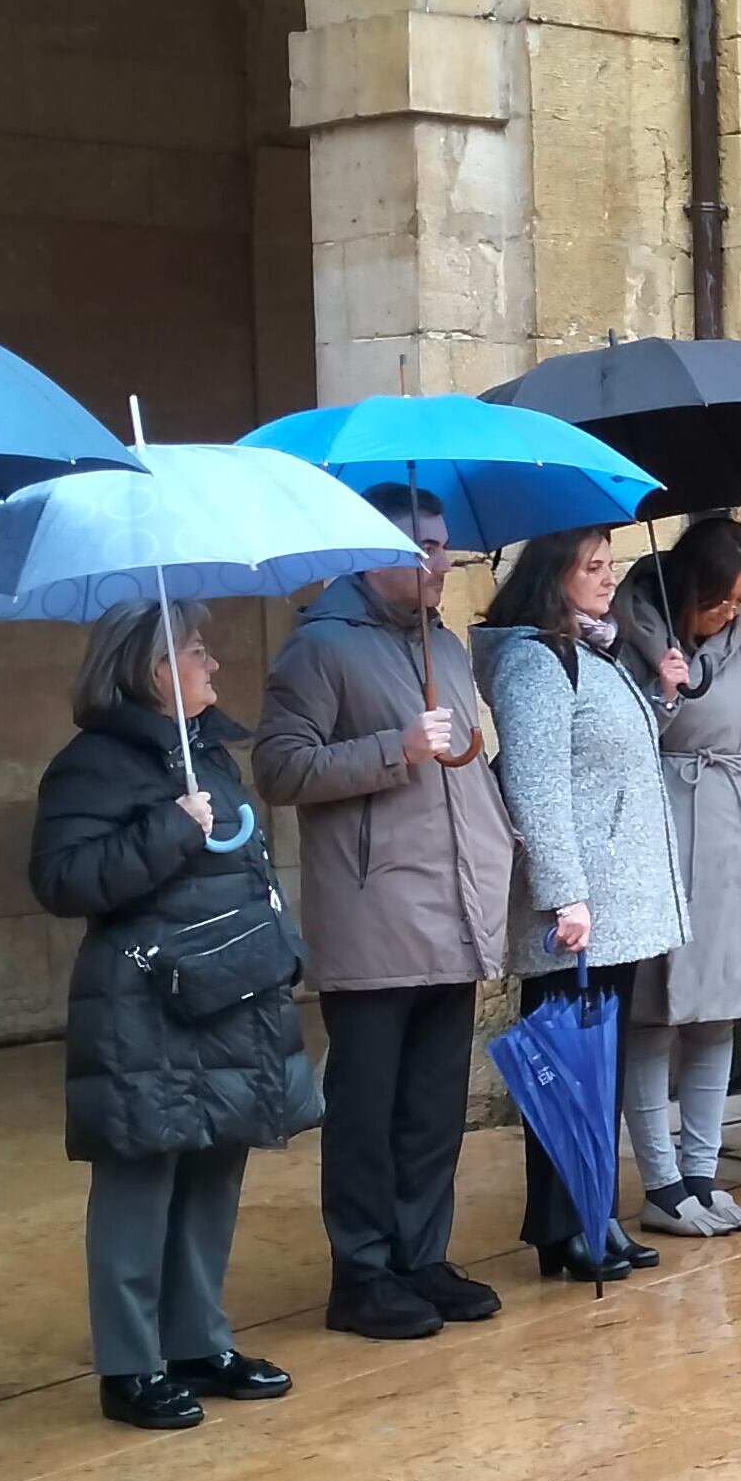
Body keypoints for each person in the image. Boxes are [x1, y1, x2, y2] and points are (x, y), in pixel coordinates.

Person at [27, 601, 312, 1431]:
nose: (213, 664)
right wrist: (166, 829)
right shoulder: (92, 765)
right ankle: (130, 1363)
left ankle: (199, 1341)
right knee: (139, 1183)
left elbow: (247, 861)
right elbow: (63, 880)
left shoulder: (211, 752)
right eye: (195, 650)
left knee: (214, 1172)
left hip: (229, 992)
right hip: (145, 1005)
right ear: (152, 667)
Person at [257, 485, 515, 1340]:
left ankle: (420, 1256)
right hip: (374, 914)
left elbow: (463, 768)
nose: (443, 563)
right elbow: (282, 769)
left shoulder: (444, 643)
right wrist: (393, 751)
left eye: (445, 547)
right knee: (369, 1106)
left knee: (435, 1103)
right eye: (426, 549)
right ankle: (361, 1271)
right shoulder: (319, 649)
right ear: (373, 554)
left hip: (454, 906)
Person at [479, 523, 695, 1271]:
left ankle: (592, 1214)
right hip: (580, 910)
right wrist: (566, 896)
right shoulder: (537, 664)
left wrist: (662, 699)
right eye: (592, 566)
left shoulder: (589, 652)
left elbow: (609, 756)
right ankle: (563, 1226)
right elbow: (536, 788)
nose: (609, 578)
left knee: (593, 1072)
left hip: (614, 902)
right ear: (553, 575)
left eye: (609, 563)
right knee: (565, 1074)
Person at [613, 518, 741, 1235]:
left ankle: (700, 1171)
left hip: (733, 828)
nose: (730, 615)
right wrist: (664, 693)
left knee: (721, 1002)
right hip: (661, 828)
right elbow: (619, 737)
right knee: (656, 1009)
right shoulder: (635, 631)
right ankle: (660, 1183)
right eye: (720, 601)